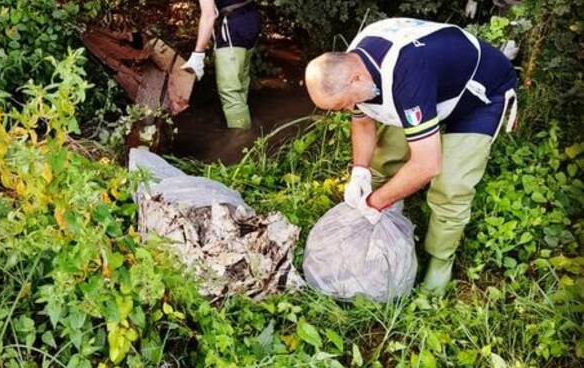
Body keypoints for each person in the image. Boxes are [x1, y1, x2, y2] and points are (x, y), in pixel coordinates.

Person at [304, 18, 518, 295]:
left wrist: (374, 202)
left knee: (450, 186)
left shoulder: (408, 73)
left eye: (344, 103)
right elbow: (362, 122)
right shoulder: (356, 65)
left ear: (356, 78)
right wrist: (360, 171)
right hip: (430, 87)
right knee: (384, 158)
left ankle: (441, 261)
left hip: (478, 96)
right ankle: (389, 221)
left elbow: (427, 165)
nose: (347, 109)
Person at [182, 0, 261, 129]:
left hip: (233, 25)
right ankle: (246, 125)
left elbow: (209, 15)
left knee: (230, 91)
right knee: (241, 80)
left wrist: (198, 53)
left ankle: (241, 139)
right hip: (252, 18)